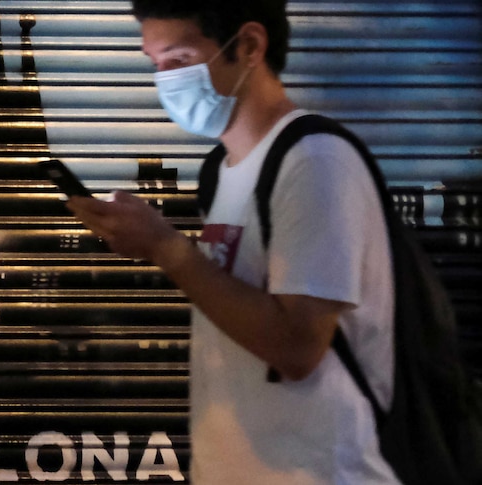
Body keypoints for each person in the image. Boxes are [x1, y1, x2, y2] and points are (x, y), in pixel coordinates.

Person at [66, 1, 402, 483]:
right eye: (154, 63)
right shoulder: (221, 173)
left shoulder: (315, 161)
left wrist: (165, 247)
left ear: (248, 46)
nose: (164, 81)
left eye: (178, 61)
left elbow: (298, 348)